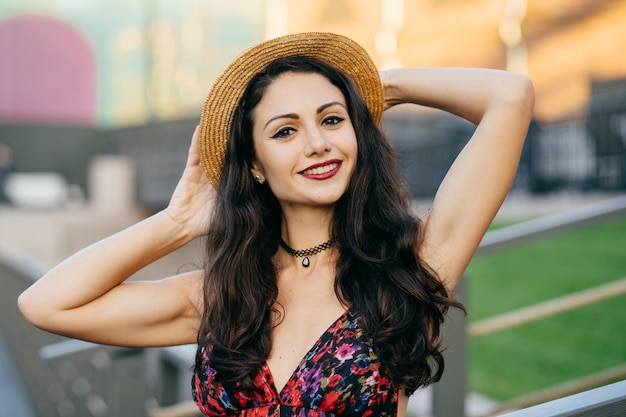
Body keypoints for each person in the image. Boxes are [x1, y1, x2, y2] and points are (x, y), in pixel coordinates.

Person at [18, 32, 534, 416]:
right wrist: (177, 221)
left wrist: (371, 87)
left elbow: (509, 97)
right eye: (285, 131)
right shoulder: (220, 296)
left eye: (332, 119)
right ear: (255, 165)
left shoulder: (409, 267)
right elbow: (45, 303)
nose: (317, 142)